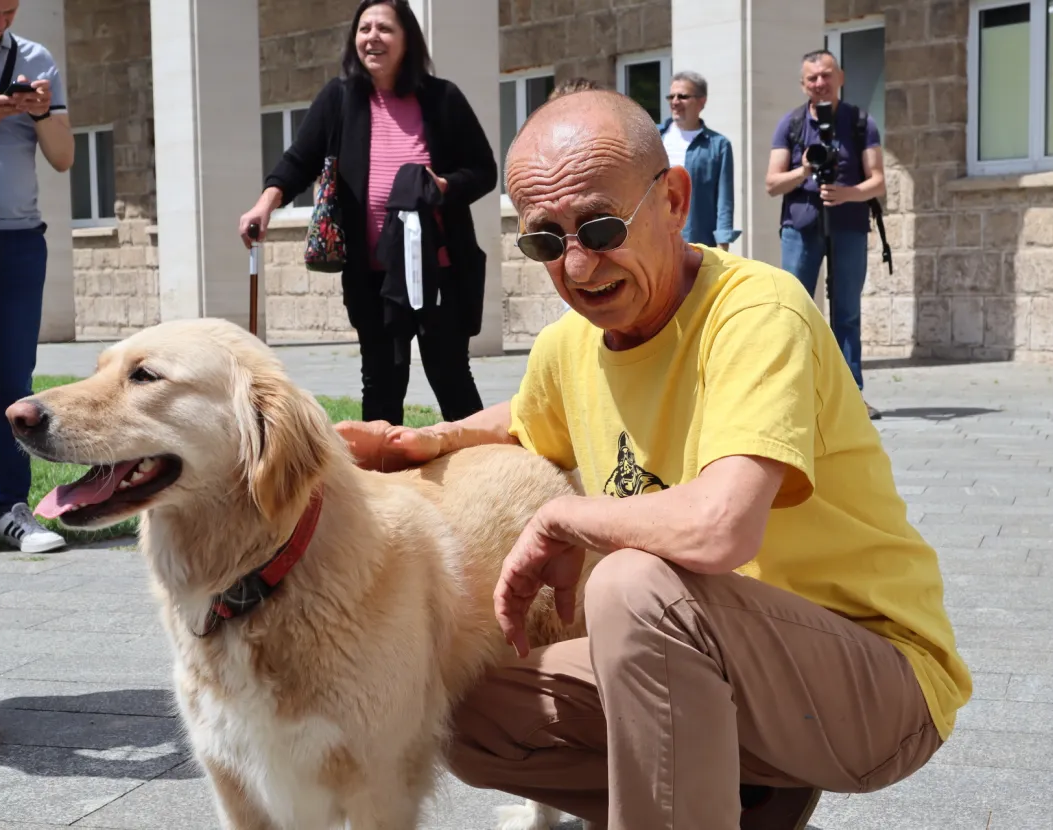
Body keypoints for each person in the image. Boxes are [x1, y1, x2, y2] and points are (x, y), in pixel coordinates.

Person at [336, 89, 971, 830]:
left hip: (875, 683)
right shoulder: (570, 345)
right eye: (545, 241)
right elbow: (526, 421)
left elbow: (720, 529)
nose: (578, 265)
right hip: (729, 670)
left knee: (633, 585)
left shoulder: (755, 313)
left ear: (673, 200)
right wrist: (425, 441)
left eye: (600, 227)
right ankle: (743, 799)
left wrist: (564, 517)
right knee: (471, 711)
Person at [239, 0, 497, 426]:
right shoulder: (340, 98)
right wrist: (265, 203)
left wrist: (444, 186)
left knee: (451, 376)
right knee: (380, 382)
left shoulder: (443, 98)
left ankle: (483, 462)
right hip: (372, 277)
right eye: (364, 28)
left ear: (407, 39)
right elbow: (300, 159)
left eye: (385, 29)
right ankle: (380, 467)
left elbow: (483, 170)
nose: (372, 37)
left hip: (439, 272)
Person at [0, 0, 77, 752]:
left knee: (16, 383)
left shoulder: (35, 57)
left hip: (17, 240)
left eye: (6, 9)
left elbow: (66, 158)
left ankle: (11, 510)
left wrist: (40, 114)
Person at [765, 49, 885, 420]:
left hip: (849, 225)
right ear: (803, 85)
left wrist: (847, 193)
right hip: (800, 226)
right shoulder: (791, 124)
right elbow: (772, 183)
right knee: (793, 310)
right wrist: (803, 171)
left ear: (840, 78)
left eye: (827, 75)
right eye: (812, 78)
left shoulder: (861, 122)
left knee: (847, 312)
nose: (820, 83)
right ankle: (793, 393)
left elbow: (878, 181)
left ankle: (851, 397)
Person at [660, 70, 740, 251]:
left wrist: (723, 245)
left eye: (682, 96)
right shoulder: (654, 137)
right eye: (671, 96)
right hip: (656, 238)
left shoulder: (718, 145)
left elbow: (724, 199)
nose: (675, 102)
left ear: (701, 102)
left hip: (697, 241)